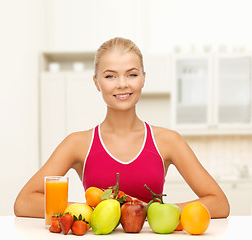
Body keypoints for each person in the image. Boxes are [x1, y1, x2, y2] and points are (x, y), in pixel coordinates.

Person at [14, 37, 230, 219]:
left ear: (143, 79)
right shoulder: (77, 143)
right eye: (110, 76)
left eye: (132, 74)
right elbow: (24, 202)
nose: (122, 84)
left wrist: (150, 212)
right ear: (96, 82)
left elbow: (219, 204)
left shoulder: (168, 141)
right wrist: (89, 211)